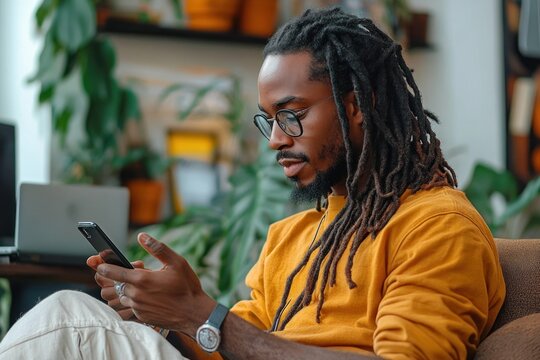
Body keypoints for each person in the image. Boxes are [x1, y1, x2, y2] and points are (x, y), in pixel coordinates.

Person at [0, 7, 505, 359]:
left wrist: (206, 315)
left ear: (359, 106)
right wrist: (169, 316)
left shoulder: (438, 227)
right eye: (268, 121)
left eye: (292, 115)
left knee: (67, 321)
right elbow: (232, 347)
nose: (275, 141)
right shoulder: (292, 237)